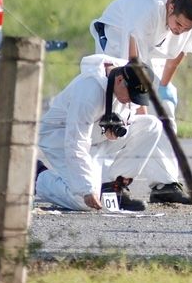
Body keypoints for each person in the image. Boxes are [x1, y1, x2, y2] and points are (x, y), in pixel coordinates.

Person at [89, 0, 192, 204]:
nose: (180, 30)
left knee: (165, 109)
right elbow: (132, 64)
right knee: (124, 110)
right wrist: (141, 108)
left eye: (185, 28)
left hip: (155, 45)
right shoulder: (145, 8)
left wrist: (163, 86)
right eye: (178, 25)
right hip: (117, 35)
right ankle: (112, 182)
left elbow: (179, 52)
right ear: (170, 8)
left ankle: (164, 184)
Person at [35, 54, 163, 211]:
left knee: (152, 125)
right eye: (131, 95)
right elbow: (75, 142)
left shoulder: (130, 77)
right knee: (83, 200)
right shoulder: (89, 92)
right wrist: (86, 188)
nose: (132, 100)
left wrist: (121, 126)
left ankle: (115, 187)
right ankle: (37, 176)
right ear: (120, 80)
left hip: (97, 138)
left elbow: (128, 113)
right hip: (60, 136)